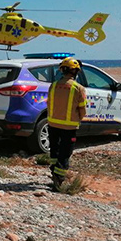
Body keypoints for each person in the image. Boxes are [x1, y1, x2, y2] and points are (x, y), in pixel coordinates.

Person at [46, 57, 87, 191]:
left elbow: (49, 103)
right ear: (75, 72)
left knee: (54, 151)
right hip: (69, 127)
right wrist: (79, 119)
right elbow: (82, 109)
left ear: (62, 70)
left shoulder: (53, 85)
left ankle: (54, 173)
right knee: (64, 154)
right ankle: (59, 179)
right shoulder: (78, 88)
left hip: (52, 125)